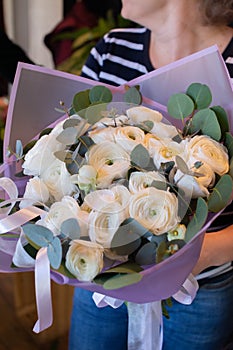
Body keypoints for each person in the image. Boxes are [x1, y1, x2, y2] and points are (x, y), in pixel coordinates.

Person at [69, 1, 233, 349]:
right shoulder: (111, 51)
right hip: (100, 279)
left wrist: (201, 254)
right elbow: (72, 156)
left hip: (202, 289)